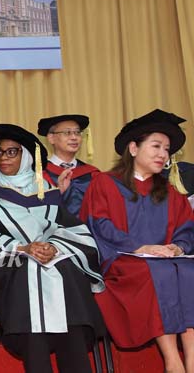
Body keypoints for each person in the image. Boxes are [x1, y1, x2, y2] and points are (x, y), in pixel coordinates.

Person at [0, 123, 105, 373]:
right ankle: (37, 360)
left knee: (67, 269)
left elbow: (74, 232)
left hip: (52, 260)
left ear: (27, 158)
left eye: (12, 152)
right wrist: (22, 248)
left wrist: (54, 248)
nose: (3, 157)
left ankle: (75, 360)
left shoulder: (48, 193)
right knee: (27, 270)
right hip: (8, 262)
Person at [80, 109, 194, 373]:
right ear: (133, 148)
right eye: (156, 146)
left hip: (165, 261)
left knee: (189, 271)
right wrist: (139, 247)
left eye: (167, 149)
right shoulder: (105, 183)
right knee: (158, 271)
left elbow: (186, 227)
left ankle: (191, 360)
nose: (163, 154)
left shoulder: (169, 191)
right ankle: (172, 362)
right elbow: (99, 225)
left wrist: (178, 246)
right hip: (122, 262)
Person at [37, 114, 99, 216]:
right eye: (67, 133)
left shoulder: (92, 174)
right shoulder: (39, 174)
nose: (74, 137)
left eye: (77, 132)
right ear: (51, 138)